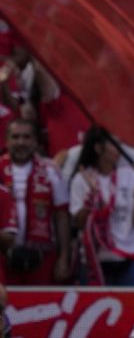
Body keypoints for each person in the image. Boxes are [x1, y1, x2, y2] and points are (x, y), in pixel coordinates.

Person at [69, 126, 134, 286]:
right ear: (98, 148)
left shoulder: (130, 175)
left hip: (129, 257)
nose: (120, 150)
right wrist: (92, 199)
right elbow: (78, 223)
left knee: (132, 310)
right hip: (94, 260)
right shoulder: (82, 179)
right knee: (93, 310)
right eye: (114, 144)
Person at [0, 118, 70, 285]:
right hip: (2, 256)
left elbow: (62, 216)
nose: (21, 142)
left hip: (42, 256)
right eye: (15, 137)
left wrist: (63, 257)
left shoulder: (50, 170)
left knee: (40, 307)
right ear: (6, 141)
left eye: (26, 137)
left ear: (36, 141)